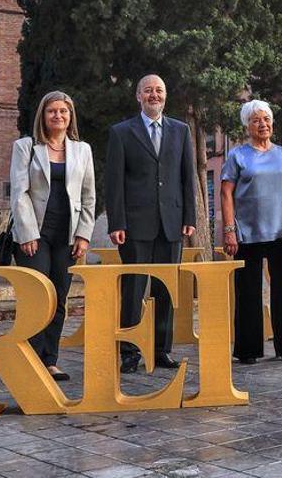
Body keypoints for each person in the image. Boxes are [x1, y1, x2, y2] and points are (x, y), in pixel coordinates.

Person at [105, 74, 196, 373]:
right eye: (148, 90)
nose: (153, 95)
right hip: (134, 225)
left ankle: (160, 350)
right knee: (133, 290)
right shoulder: (121, 133)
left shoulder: (181, 131)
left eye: (159, 90)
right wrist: (116, 222)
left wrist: (189, 218)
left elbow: (187, 178)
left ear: (165, 96)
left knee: (165, 290)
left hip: (171, 223)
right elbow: (114, 182)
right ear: (138, 96)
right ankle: (129, 353)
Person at [10, 91, 95, 381]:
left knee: (59, 297)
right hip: (34, 235)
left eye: (63, 111)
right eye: (52, 111)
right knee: (36, 296)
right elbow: (19, 193)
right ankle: (30, 359)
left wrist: (84, 235)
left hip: (67, 236)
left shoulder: (82, 150)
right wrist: (27, 232)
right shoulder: (26, 147)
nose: (58, 116)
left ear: (70, 116)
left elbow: (89, 196)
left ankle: (50, 360)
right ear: (42, 116)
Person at [221, 100, 282, 363]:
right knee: (248, 292)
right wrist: (229, 230)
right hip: (248, 231)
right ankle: (248, 349)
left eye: (267, 119)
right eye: (257, 120)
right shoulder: (237, 155)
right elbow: (226, 193)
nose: (263, 124)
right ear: (247, 125)